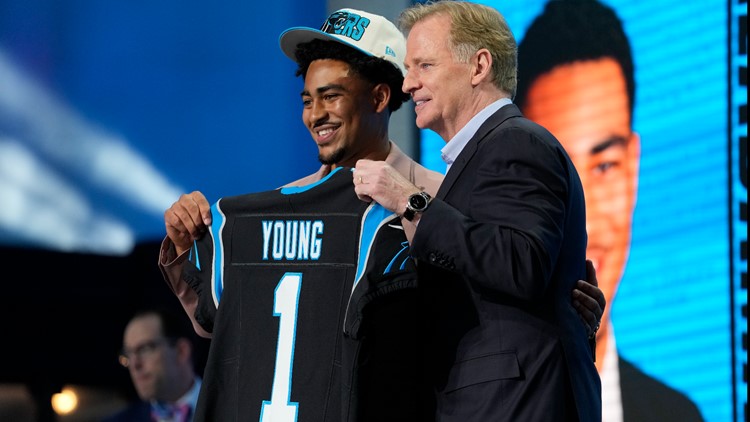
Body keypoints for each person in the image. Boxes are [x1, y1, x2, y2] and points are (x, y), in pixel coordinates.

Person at [159, 6, 604, 420]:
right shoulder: (282, 206)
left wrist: (559, 309)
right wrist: (187, 250)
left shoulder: (438, 194)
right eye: (307, 99)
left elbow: (512, 269)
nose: (316, 115)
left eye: (331, 95)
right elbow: (229, 327)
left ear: (378, 97)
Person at [352, 1, 600, 420]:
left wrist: (410, 203)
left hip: (513, 404)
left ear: (479, 66)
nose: (408, 84)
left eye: (424, 65)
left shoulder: (516, 143)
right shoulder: (483, 155)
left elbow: (521, 263)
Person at [513, 1, 704, 421]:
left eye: (604, 166)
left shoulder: (679, 415)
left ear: (633, 171)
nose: (587, 219)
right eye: (557, 172)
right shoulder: (477, 397)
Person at [102, 307, 202, 422]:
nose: (134, 364)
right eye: (128, 354)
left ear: (181, 351)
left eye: (145, 349)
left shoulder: (225, 405)